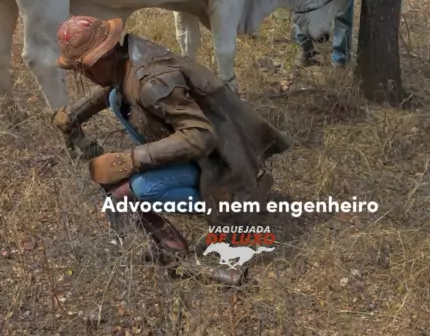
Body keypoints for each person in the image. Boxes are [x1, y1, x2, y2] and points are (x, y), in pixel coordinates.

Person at [51, 16, 291, 265]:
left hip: (223, 158)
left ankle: (232, 202)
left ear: (101, 58)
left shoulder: (153, 84)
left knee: (143, 189)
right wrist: (74, 114)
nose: (84, 75)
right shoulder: (128, 61)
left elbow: (201, 136)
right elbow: (112, 86)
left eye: (83, 69)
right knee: (115, 98)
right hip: (207, 148)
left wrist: (132, 159)